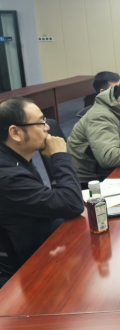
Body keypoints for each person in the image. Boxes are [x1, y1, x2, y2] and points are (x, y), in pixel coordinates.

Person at [0, 98, 84, 283]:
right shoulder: (8, 177)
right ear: (15, 132)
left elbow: (58, 200)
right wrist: (60, 156)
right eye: (40, 123)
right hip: (32, 269)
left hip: (43, 236)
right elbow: (72, 204)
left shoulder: (15, 157)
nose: (47, 127)